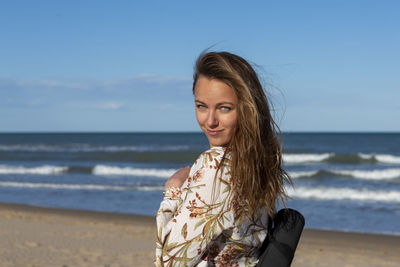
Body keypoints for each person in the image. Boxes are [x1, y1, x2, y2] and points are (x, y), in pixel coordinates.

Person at [155, 51, 291, 266]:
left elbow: (169, 262)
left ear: (247, 109)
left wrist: (172, 191)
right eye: (201, 106)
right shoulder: (257, 163)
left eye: (224, 108)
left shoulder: (215, 165)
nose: (210, 121)